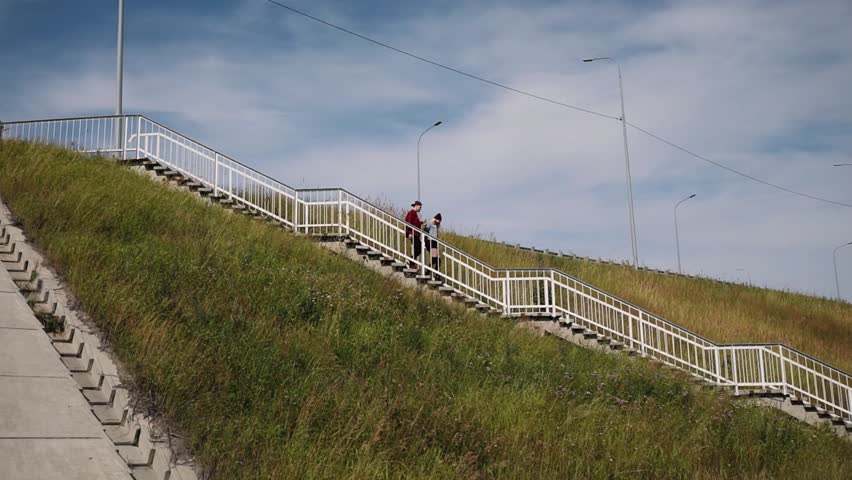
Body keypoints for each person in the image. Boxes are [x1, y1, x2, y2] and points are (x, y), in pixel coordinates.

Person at [404, 201, 423, 269]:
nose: (420, 209)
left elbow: (415, 224)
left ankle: (411, 263)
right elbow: (408, 223)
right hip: (413, 234)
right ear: (417, 206)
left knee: (418, 249)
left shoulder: (414, 213)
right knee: (418, 249)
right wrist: (409, 233)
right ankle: (410, 261)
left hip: (416, 234)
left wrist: (421, 223)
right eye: (420, 207)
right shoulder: (411, 213)